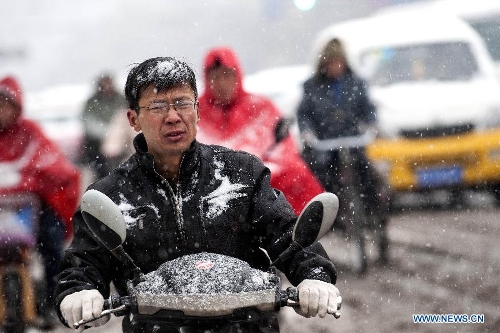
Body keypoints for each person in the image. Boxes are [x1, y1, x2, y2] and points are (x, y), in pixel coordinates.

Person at [54, 57, 341, 333]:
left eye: (182, 103)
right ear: (133, 119)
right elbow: (83, 264)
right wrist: (79, 292)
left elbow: (288, 236)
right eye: (157, 106)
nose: (172, 117)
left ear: (198, 110)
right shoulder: (111, 197)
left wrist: (314, 276)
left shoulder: (242, 174)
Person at [197, 46, 325, 215]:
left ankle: (301, 229)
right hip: (213, 186)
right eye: (215, 77)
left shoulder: (260, 107)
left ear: (238, 76)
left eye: (227, 75)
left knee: (297, 173)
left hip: (264, 178)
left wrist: (259, 176)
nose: (221, 83)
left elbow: (284, 150)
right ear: (207, 80)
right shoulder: (195, 112)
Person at [0, 76, 81, 328]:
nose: (2, 111)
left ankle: (50, 301)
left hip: (30, 213)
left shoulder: (30, 134)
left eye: (6, 104)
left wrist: (31, 183)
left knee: (51, 242)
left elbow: (56, 168)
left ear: (17, 107)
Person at [296, 38, 389, 226]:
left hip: (353, 141)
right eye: (331, 63)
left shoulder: (355, 84)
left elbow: (367, 109)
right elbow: (304, 114)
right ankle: (330, 219)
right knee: (323, 179)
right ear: (324, 64)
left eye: (338, 62)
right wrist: (308, 132)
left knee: (367, 175)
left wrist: (372, 124)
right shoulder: (312, 87)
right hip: (326, 146)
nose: (335, 67)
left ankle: (374, 213)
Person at [81, 73, 127, 179]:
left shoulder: (121, 99)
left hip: (121, 142)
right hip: (97, 145)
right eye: (104, 84)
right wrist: (109, 134)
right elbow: (89, 124)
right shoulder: (91, 103)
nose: (107, 87)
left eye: (109, 83)